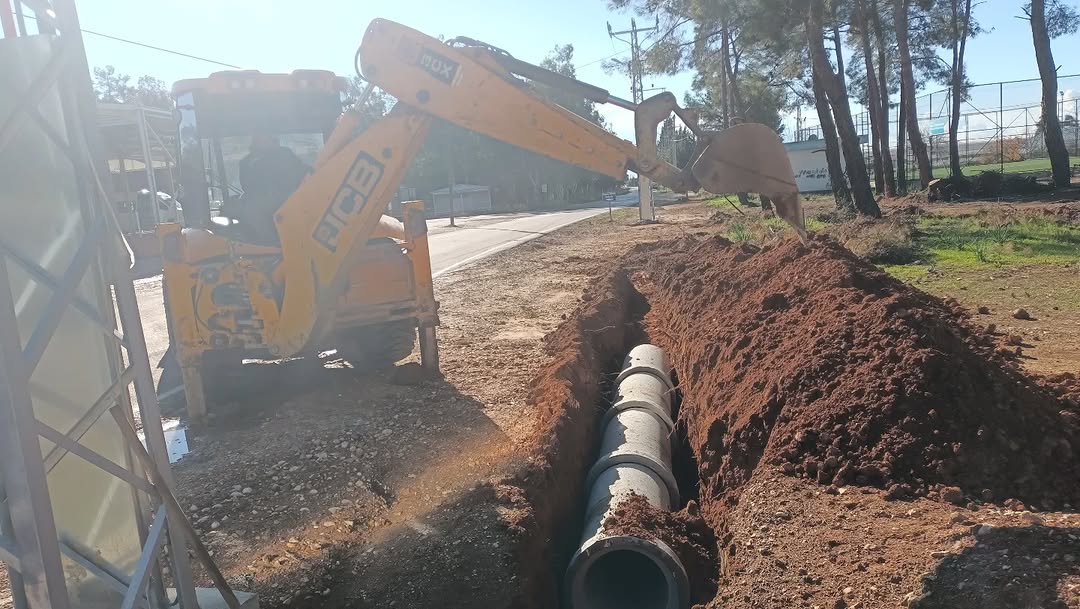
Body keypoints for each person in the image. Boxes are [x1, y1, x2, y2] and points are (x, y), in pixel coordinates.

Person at [233, 135, 309, 243]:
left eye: (266, 137)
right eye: (260, 138)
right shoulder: (247, 162)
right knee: (251, 210)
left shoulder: (285, 154)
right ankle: (270, 242)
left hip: (291, 197)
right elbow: (247, 186)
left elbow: (301, 172)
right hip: (262, 200)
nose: (264, 141)